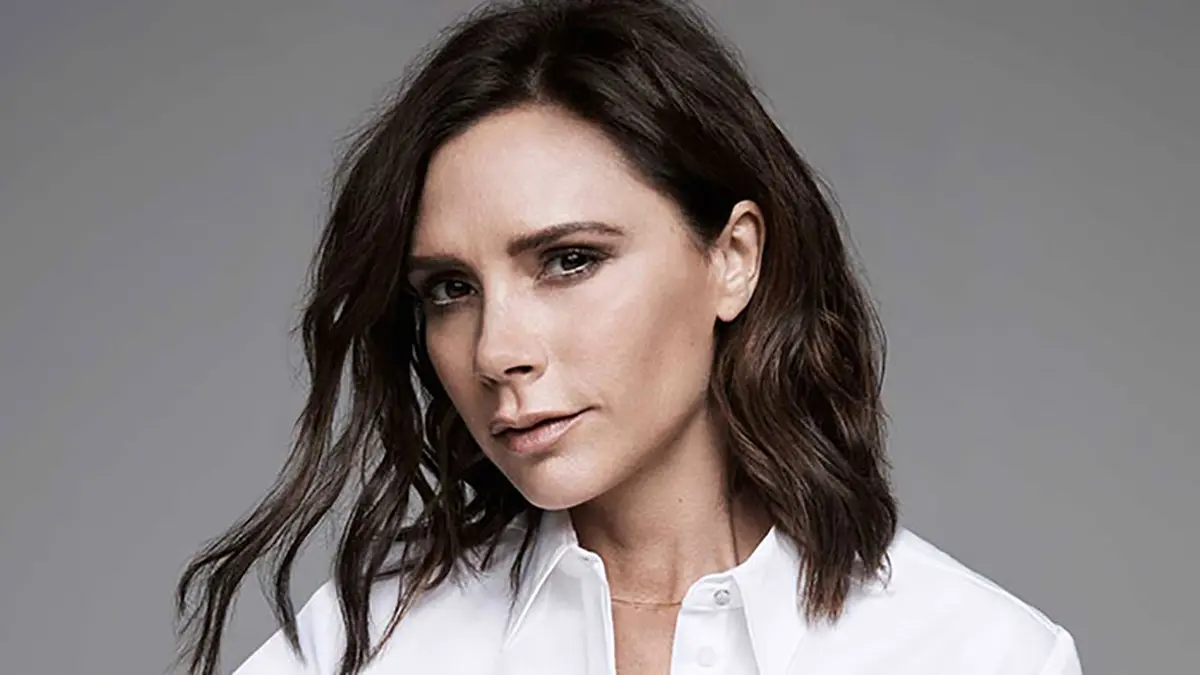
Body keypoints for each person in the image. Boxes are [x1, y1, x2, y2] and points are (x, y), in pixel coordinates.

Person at [174, 0, 1082, 673]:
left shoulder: (977, 652)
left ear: (732, 258)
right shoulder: (366, 645)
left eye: (568, 260)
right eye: (451, 289)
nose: (495, 350)